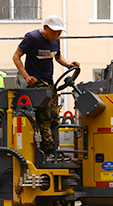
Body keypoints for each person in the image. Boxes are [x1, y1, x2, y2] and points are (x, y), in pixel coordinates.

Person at [12, 14, 80, 158]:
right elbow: (16, 56)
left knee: (55, 118)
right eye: (54, 32)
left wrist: (68, 64)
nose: (56, 35)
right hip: (36, 85)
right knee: (45, 118)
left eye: (59, 32)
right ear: (45, 28)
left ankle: (56, 150)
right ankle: (48, 152)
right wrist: (26, 76)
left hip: (50, 83)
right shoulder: (33, 38)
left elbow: (57, 56)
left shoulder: (56, 41)